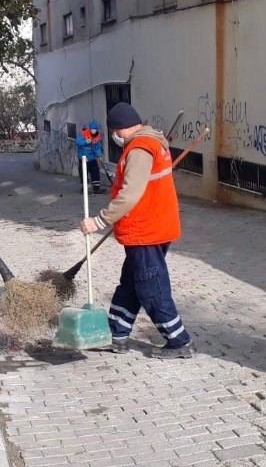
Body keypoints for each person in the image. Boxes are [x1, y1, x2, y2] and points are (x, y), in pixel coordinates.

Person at [79, 102, 194, 359]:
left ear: (119, 130)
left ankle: (179, 341)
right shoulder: (152, 142)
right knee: (131, 283)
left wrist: (99, 221)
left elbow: (129, 194)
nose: (114, 137)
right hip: (150, 226)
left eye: (113, 132)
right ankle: (116, 334)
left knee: (151, 288)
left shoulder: (140, 149)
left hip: (146, 230)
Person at [76, 120, 105, 193]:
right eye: (92, 129)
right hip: (83, 158)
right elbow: (78, 142)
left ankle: (96, 188)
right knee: (84, 173)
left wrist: (100, 156)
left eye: (95, 129)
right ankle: (84, 189)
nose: (93, 130)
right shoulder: (84, 134)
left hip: (92, 158)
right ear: (90, 128)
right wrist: (86, 141)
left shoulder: (97, 136)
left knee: (95, 172)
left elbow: (97, 147)